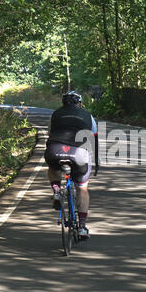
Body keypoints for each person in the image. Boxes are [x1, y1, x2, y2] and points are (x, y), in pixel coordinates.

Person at [44, 91, 99, 238]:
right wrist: (96, 161)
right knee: (82, 188)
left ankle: (56, 191)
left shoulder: (56, 114)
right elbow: (94, 137)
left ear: (63, 103)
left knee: (53, 167)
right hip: (79, 153)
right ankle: (81, 227)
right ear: (79, 103)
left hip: (55, 150)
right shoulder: (88, 115)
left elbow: (50, 134)